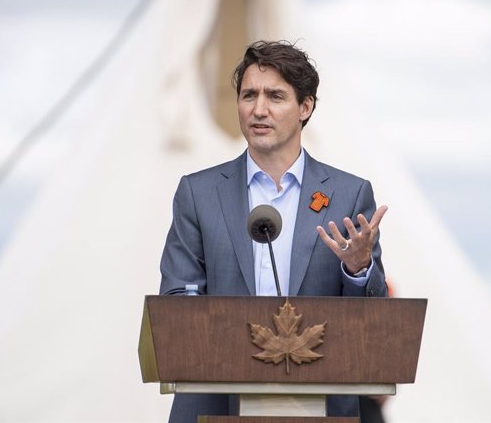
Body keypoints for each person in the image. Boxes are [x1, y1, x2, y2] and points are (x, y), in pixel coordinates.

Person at [159, 40, 388, 422]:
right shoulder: (198, 193)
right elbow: (177, 300)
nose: (259, 109)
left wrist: (358, 269)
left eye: (275, 96)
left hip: (318, 407)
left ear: (305, 107)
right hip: (213, 406)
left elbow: (373, 323)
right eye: (249, 95)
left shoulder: (349, 194)